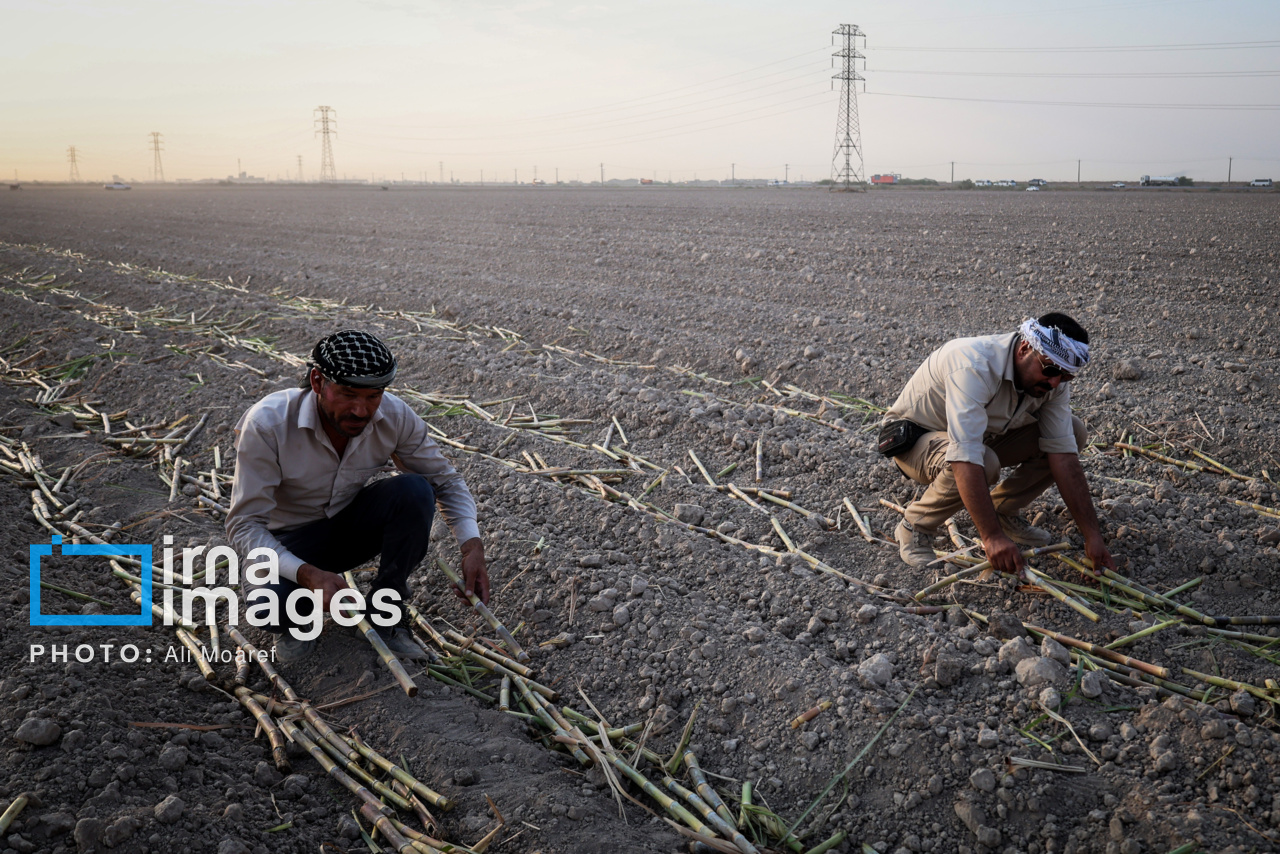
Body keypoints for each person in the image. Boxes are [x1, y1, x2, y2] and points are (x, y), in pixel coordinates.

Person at [226, 329, 490, 664]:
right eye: (348, 394)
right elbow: (244, 526)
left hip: (345, 530)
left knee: (414, 490)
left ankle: (386, 611)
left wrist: (472, 546)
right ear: (318, 381)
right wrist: (308, 574)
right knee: (272, 612)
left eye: (372, 396)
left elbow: (446, 482)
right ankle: (298, 617)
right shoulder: (269, 424)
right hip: (285, 544)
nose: (361, 411)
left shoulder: (394, 417)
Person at [884, 313, 1116, 577]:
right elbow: (965, 456)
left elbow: (1063, 454)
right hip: (915, 440)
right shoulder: (973, 365)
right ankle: (915, 526)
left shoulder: (1052, 383)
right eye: (1051, 370)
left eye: (1065, 377)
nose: (1054, 382)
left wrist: (1093, 535)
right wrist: (991, 537)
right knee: (984, 461)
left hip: (978, 436)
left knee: (1074, 432)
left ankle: (1003, 509)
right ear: (1025, 348)